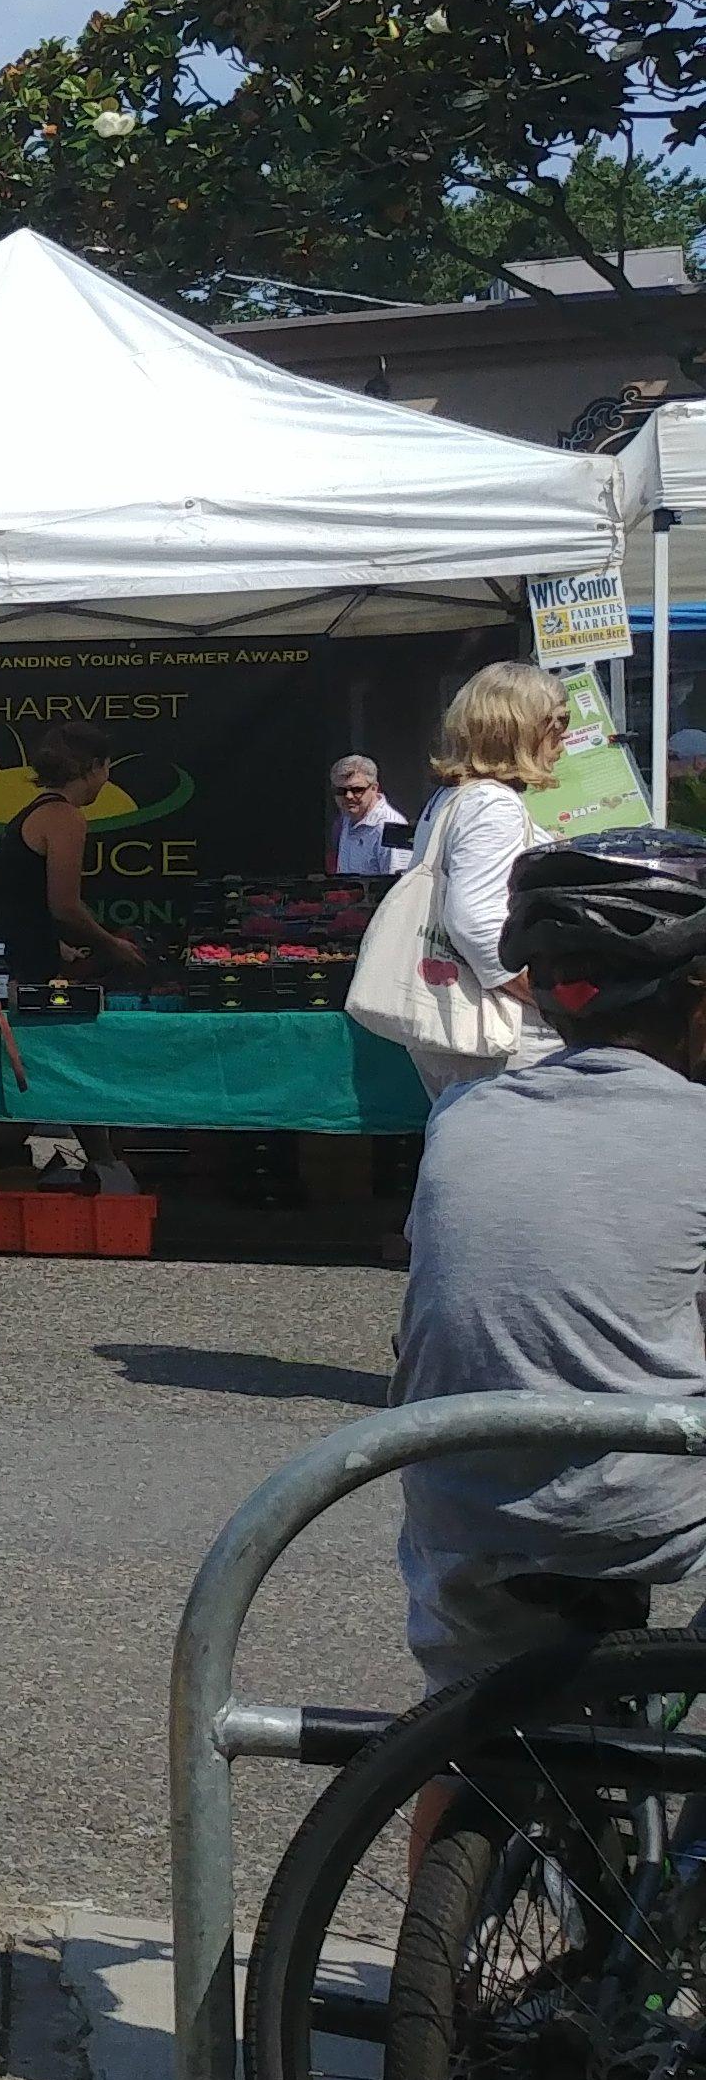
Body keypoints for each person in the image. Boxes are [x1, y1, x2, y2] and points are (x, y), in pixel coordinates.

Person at [393, 831, 706, 1682]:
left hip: (459, 1503)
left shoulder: (464, 1115)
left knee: (463, 1732)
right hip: (640, 1510)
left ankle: (453, 1801)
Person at [407, 660, 568, 1098]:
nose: (564, 735)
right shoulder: (493, 805)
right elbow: (475, 921)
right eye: (557, 721)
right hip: (503, 1028)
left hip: (467, 1016)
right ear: (517, 727)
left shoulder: (453, 797)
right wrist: (551, 999)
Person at [0, 722, 152, 986]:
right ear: (94, 766)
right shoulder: (64, 817)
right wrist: (113, 945)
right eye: (108, 767)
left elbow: (16, 898)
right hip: (28, 969)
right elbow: (65, 907)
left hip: (17, 954)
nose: (107, 776)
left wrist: (57, 945)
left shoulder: (32, 812)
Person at [330, 754, 415, 876]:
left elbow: (400, 886)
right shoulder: (346, 818)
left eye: (357, 790)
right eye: (340, 791)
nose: (348, 796)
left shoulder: (394, 827)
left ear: (375, 788)